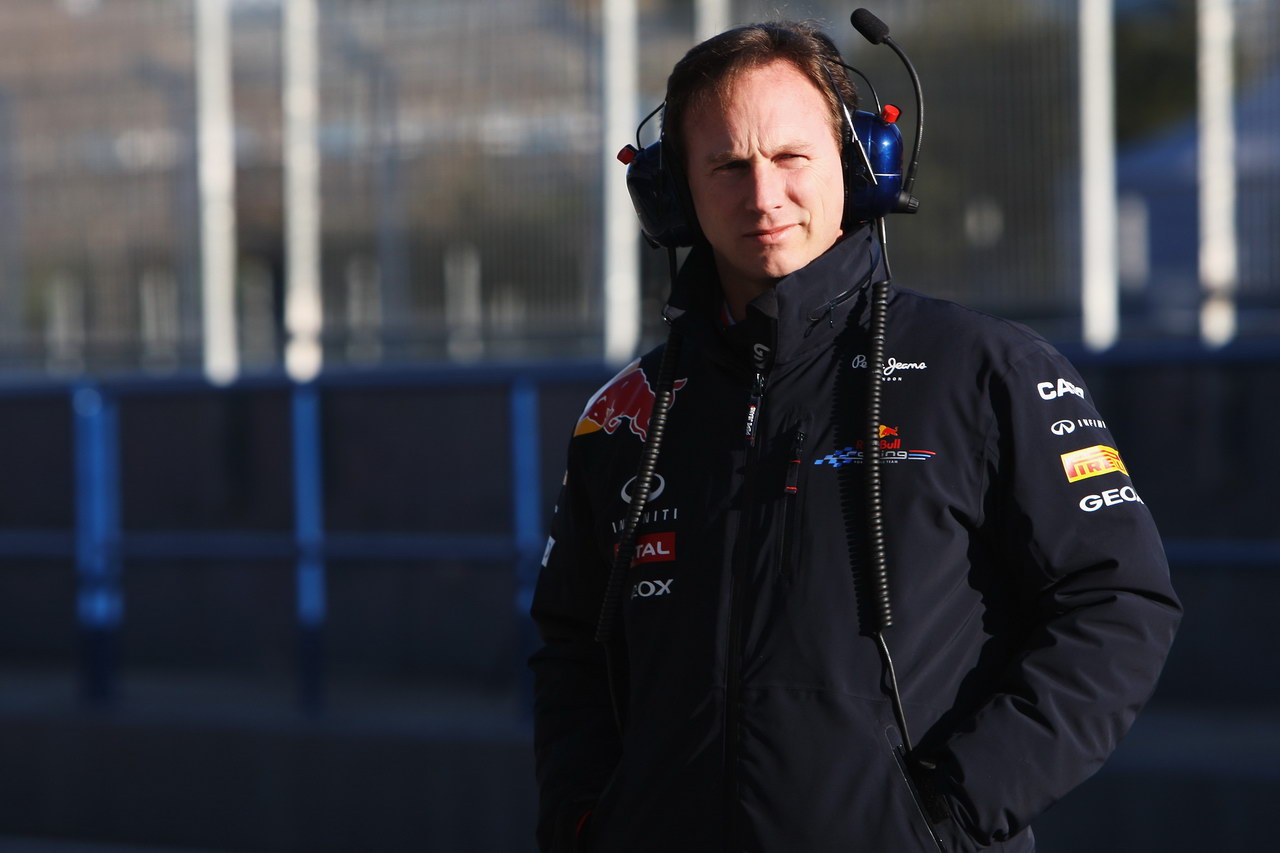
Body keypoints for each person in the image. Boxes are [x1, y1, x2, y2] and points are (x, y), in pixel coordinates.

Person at [529, 19, 1180, 853]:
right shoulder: (625, 414)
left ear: (859, 162)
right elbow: (570, 649)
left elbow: (1118, 601)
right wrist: (586, 819)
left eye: (791, 157)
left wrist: (948, 809)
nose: (762, 196)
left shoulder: (988, 371)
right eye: (727, 165)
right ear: (674, 190)